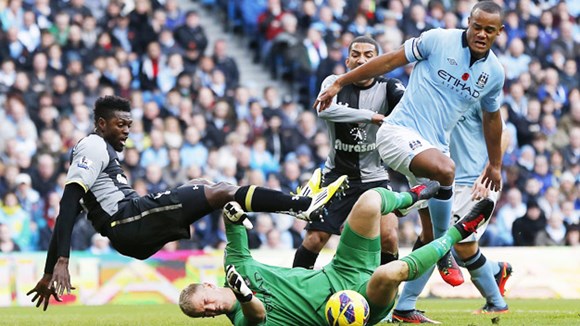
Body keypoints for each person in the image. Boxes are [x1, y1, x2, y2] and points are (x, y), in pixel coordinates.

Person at [26, 95, 348, 311]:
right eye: (120, 125)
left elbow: (69, 213)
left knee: (202, 186)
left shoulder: (102, 155)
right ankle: (300, 204)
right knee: (221, 189)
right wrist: (62, 261)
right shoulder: (93, 145)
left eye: (129, 125)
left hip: (129, 231)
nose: (126, 131)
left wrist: (46, 271)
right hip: (129, 220)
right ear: (100, 124)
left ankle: (243, 210)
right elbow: (67, 207)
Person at [315, 1, 505, 286]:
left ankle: (402, 308)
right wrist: (340, 82)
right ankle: (444, 250)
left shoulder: (494, 73)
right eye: (476, 26)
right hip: (397, 132)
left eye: (488, 30)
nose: (481, 34)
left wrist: (495, 164)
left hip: (433, 147)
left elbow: (492, 119)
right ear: (468, 22)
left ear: (498, 32)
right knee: (446, 170)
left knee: (426, 234)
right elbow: (390, 60)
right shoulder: (437, 39)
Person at [179, 181, 497, 325]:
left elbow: (231, 216)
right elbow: (257, 314)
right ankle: (458, 232)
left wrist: (233, 211)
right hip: (356, 304)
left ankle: (409, 198)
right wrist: (245, 294)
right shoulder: (241, 318)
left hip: (341, 270)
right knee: (391, 272)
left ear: (208, 286)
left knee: (370, 201)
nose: (209, 311)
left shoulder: (234, 264)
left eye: (203, 303)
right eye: (203, 314)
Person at [293, 36, 406, 270]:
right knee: (315, 239)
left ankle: (388, 302)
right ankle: (293, 296)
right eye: (355, 54)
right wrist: (371, 116)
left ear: (379, 61)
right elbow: (324, 111)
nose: (361, 59)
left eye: (368, 55)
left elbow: (408, 109)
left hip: (375, 177)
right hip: (338, 178)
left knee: (389, 237)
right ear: (347, 61)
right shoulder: (334, 82)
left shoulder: (390, 87)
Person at [392, 104, 512, 323]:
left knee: (446, 242)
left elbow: (504, 134)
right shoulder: (437, 95)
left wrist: (490, 169)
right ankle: (495, 274)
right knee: (449, 244)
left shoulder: (476, 95)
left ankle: (405, 305)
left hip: (475, 182)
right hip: (445, 180)